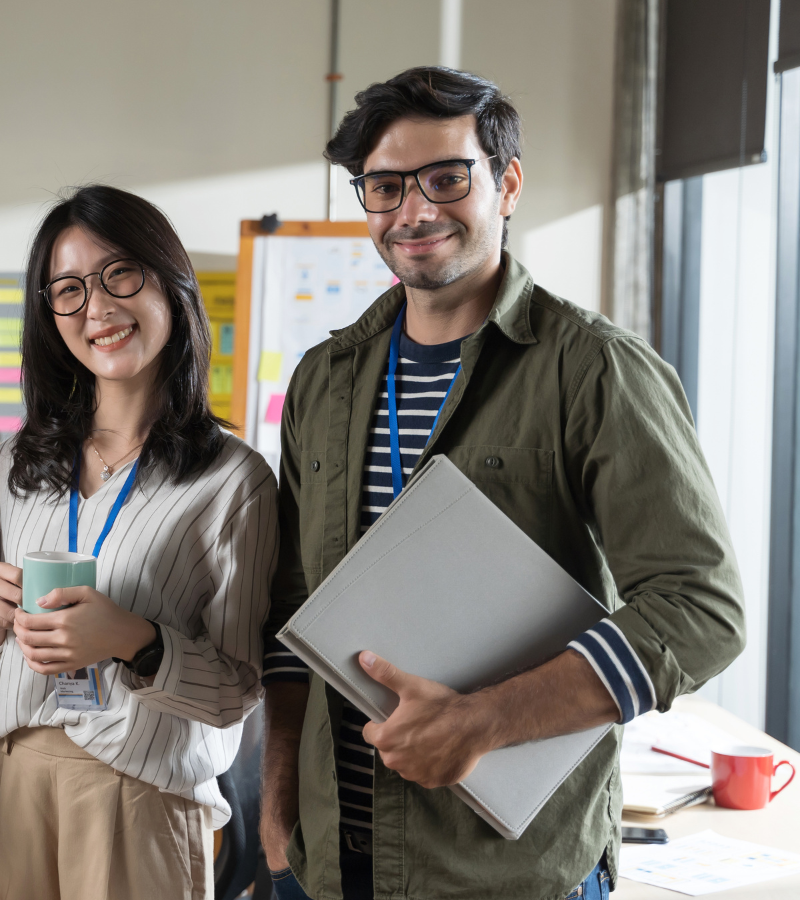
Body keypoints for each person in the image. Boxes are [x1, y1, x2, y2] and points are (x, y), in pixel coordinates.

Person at [259, 67, 744, 900]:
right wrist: (275, 804)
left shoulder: (595, 371)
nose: (414, 212)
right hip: (332, 864)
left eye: (447, 178)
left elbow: (700, 610)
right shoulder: (323, 379)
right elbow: (293, 608)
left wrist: (483, 721)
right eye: (384, 187)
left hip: (507, 873)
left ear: (507, 182)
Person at [0, 184, 277, 900]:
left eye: (118, 275)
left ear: (169, 282)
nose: (96, 308)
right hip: (12, 783)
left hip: (139, 795)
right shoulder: (13, 464)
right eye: (67, 290)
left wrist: (137, 640)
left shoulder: (233, 480)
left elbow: (238, 688)